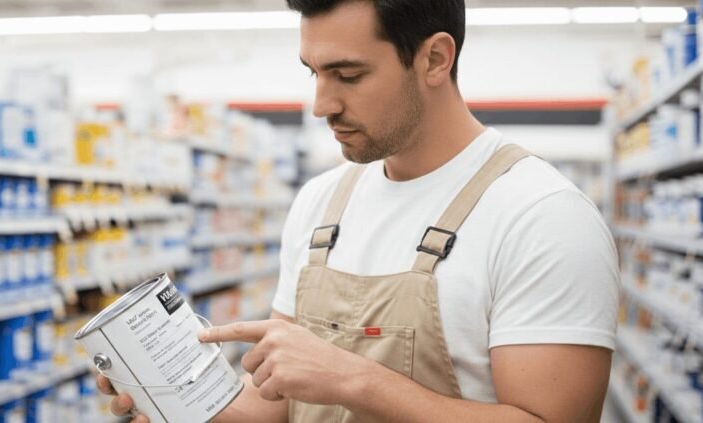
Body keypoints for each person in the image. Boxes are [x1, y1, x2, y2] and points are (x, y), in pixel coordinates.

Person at [97, 0, 620, 421]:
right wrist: (175, 400)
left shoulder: (542, 216)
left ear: (435, 59)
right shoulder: (321, 203)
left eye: (347, 75)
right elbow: (276, 406)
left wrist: (353, 378)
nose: (322, 104)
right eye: (314, 73)